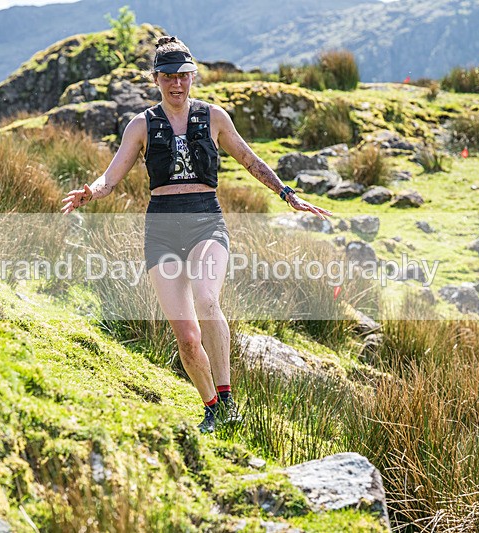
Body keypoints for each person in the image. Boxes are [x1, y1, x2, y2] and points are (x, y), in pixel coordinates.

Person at [61, 36, 332, 433]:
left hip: (207, 223)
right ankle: (213, 408)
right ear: (156, 79)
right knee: (187, 336)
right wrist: (91, 192)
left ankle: (227, 399)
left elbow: (249, 159)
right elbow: (111, 175)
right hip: (162, 232)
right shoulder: (141, 125)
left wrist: (286, 194)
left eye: (184, 76)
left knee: (207, 300)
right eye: (168, 76)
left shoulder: (214, 117)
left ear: (193, 77)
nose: (177, 84)